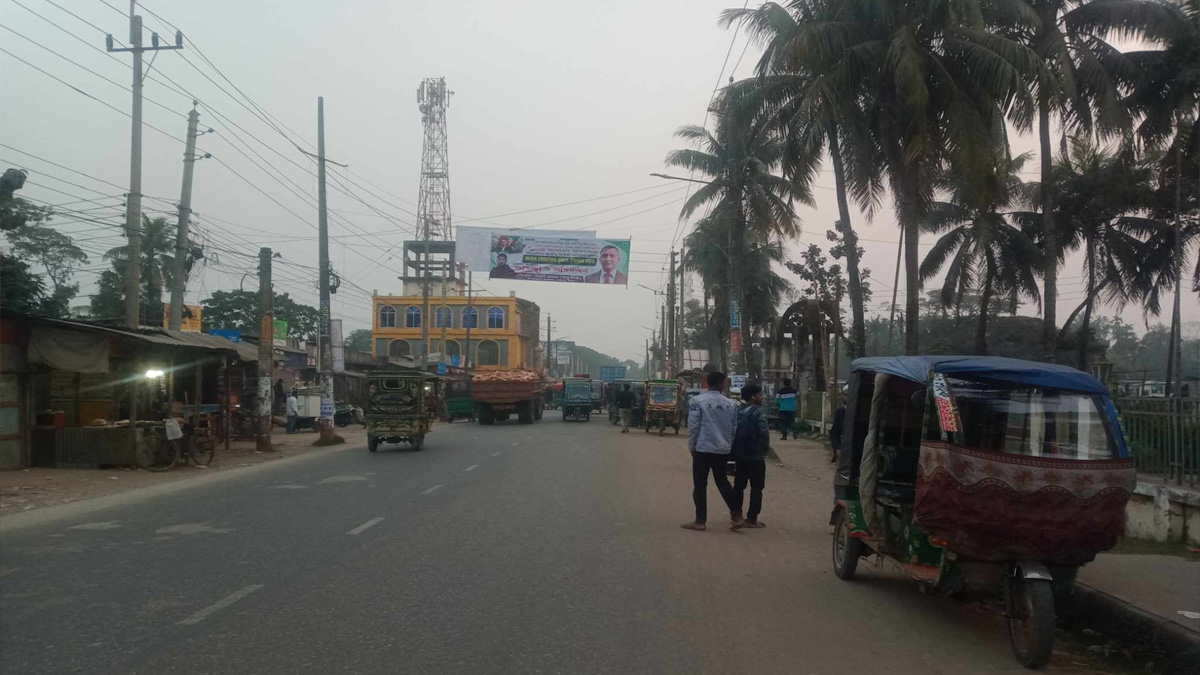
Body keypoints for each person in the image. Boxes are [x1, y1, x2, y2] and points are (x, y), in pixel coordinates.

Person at [682, 371, 744, 532]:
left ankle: (700, 521)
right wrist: (728, 446)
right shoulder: (731, 404)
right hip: (722, 449)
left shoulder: (697, 401)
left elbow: (693, 426)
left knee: (700, 484)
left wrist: (692, 446)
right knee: (722, 481)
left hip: (703, 448)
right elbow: (733, 429)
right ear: (723, 384)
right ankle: (737, 515)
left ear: (707, 383)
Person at [731, 383, 770, 528]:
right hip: (756, 456)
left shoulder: (738, 411)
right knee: (756, 488)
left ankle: (736, 514)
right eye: (760, 394)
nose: (762, 397)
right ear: (753, 397)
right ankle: (752, 518)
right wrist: (764, 450)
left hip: (741, 455)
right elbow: (764, 433)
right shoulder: (758, 412)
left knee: (739, 486)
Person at [829, 386, 848, 464]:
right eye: (846, 395)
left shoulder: (860, 413)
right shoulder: (840, 413)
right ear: (843, 396)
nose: (849, 397)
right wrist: (837, 448)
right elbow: (834, 434)